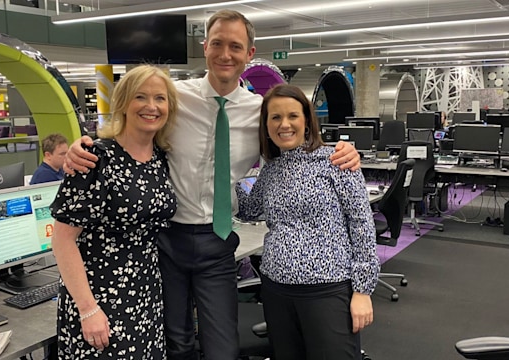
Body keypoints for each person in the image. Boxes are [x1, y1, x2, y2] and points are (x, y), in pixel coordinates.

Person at [65, 10, 362, 360]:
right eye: (217, 44)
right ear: (204, 48)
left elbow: (290, 143)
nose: (225, 54)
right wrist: (81, 145)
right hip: (166, 240)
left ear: (249, 53)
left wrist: (340, 149)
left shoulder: (260, 112)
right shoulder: (171, 98)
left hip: (219, 242)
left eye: (235, 46)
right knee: (175, 343)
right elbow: (131, 128)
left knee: (223, 348)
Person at [236, 84, 379, 359]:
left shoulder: (336, 160)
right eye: (275, 117)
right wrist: (221, 174)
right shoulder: (272, 169)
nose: (284, 124)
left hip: (327, 288)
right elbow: (249, 210)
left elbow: (361, 224)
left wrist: (363, 290)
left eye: (293, 116)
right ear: (266, 125)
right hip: (276, 288)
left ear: (307, 120)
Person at [49, 65, 178, 359]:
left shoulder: (161, 158)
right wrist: (87, 309)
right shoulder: (95, 158)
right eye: (140, 97)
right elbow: (62, 240)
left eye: (160, 98)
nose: (151, 106)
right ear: (122, 103)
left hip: (146, 296)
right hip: (99, 298)